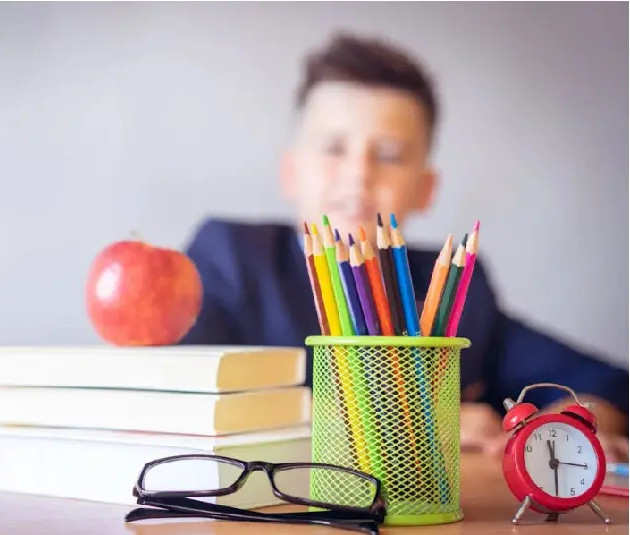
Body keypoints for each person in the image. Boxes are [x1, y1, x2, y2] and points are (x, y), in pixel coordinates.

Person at [178, 32, 628, 461]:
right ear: (291, 173)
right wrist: (421, 423)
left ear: (425, 189)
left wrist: (575, 419)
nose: (358, 173)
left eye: (390, 155)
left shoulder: (451, 286)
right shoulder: (232, 257)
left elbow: (605, 382)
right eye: (334, 147)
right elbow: (179, 395)